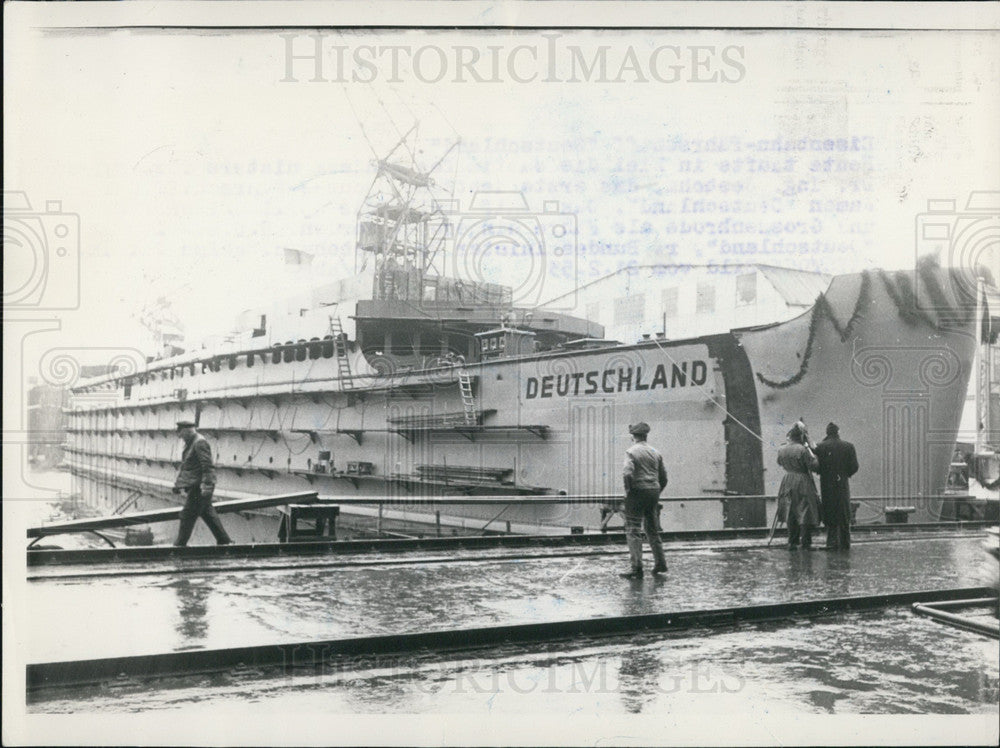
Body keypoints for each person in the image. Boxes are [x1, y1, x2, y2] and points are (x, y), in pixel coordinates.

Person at [620, 422, 668, 578]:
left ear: (633, 436)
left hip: (637, 492)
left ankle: (636, 569)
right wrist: (656, 491)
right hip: (653, 491)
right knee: (653, 530)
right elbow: (664, 477)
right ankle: (660, 565)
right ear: (646, 435)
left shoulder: (631, 452)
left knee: (633, 529)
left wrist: (629, 490)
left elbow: (627, 473)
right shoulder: (655, 452)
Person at [172, 420, 232, 546]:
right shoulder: (192, 442)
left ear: (187, 431)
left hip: (200, 487)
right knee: (207, 514)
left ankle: (179, 546)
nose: (179, 436)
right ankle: (224, 541)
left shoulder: (199, 443)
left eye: (180, 433)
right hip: (197, 485)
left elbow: (207, 466)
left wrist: (206, 487)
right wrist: (179, 485)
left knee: (187, 515)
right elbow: (189, 467)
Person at [814, 422, 859, 550]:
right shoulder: (849, 446)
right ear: (838, 432)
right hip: (842, 483)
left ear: (827, 433)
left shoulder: (820, 447)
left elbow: (815, 465)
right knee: (843, 512)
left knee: (830, 511)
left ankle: (831, 543)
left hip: (827, 484)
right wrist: (845, 474)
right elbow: (855, 467)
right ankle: (845, 543)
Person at [777, 421, 820, 550]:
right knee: (805, 509)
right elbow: (814, 465)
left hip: (787, 480)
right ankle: (806, 542)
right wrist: (813, 452)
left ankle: (792, 541)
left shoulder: (781, 448)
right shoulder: (803, 449)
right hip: (802, 480)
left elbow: (779, 462)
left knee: (790, 510)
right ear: (801, 436)